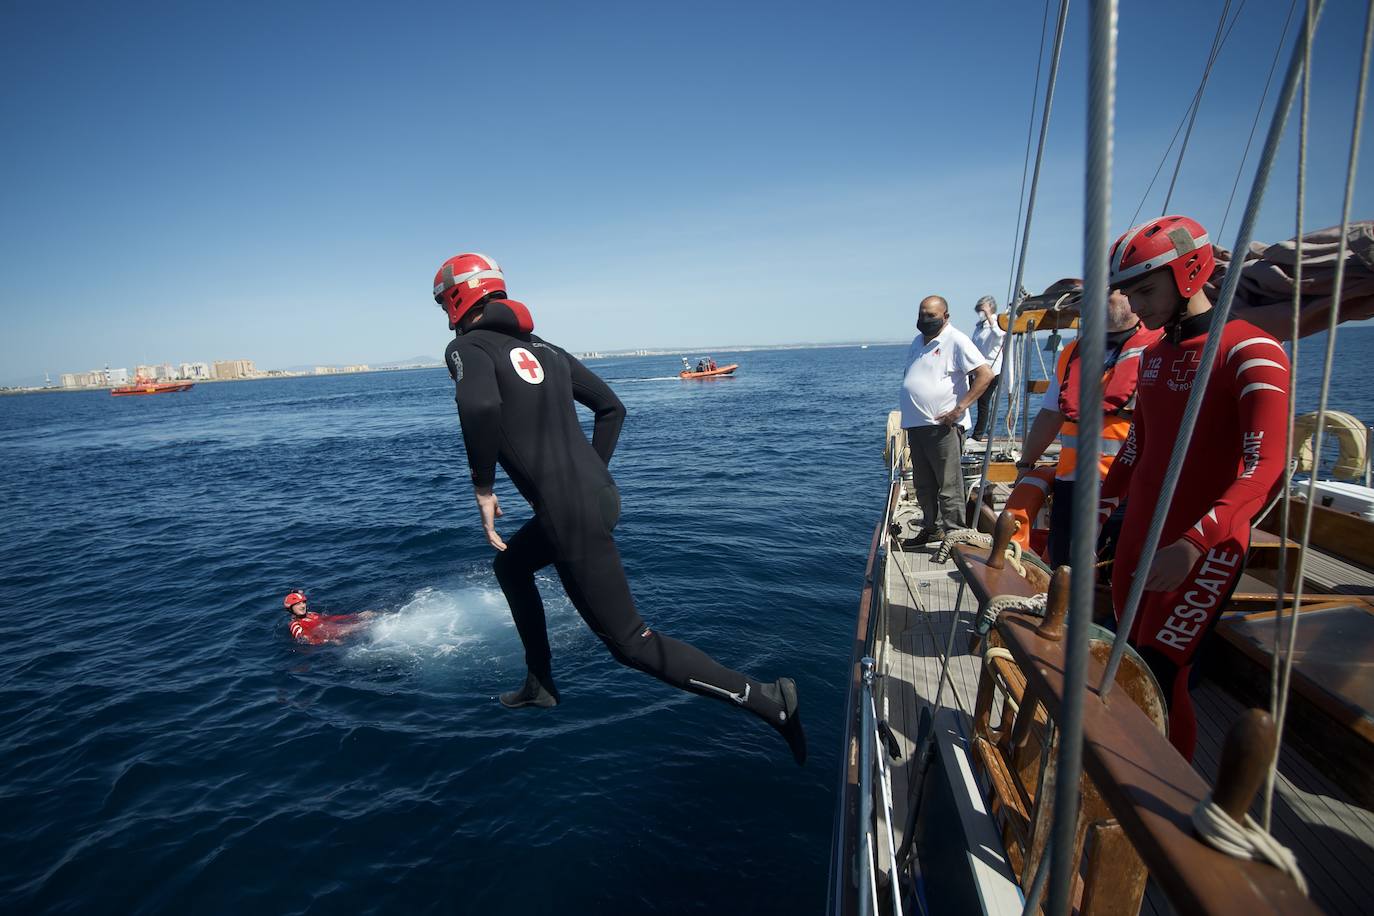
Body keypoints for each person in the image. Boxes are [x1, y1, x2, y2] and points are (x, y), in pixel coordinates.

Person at [433, 252, 807, 765]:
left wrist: (483, 487)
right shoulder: (547, 350)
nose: (444, 314)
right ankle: (539, 682)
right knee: (511, 567)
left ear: (458, 297)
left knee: (631, 644)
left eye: (443, 303)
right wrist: (590, 474)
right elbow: (612, 408)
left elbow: (478, 405)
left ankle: (768, 700)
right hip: (600, 496)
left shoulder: (466, 347)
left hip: (570, 512)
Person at [1097, 216, 1290, 760]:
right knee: (1130, 665)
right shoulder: (1153, 355)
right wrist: (1101, 513)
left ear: (1188, 273)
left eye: (1146, 290)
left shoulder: (1251, 351)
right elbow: (1138, 447)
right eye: (1129, 294)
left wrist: (1195, 543)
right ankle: (1123, 776)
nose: (1136, 307)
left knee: (1162, 677)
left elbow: (1266, 468)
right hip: (1141, 539)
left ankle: (1167, 789)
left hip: (1204, 547)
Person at [1016, 290, 1162, 568]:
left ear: (1135, 297)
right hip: (1072, 485)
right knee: (1063, 565)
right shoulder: (1072, 354)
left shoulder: (1159, 351)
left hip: (1127, 487)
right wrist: (1025, 465)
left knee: (1115, 569)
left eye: (1111, 291)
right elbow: (1050, 415)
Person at [899, 295, 994, 544]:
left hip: (943, 427)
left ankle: (955, 535)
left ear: (946, 316)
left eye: (931, 315)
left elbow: (985, 375)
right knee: (924, 485)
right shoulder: (917, 341)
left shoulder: (956, 340)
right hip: (917, 425)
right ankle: (932, 529)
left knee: (948, 485)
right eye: (921, 314)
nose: (925, 319)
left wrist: (958, 409)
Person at [970, 296, 1006, 441]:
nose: (981, 313)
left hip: (992, 370)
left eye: (983, 310)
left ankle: (978, 435)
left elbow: (999, 335)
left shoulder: (997, 324)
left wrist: (990, 317)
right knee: (963, 397)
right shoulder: (979, 327)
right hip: (976, 369)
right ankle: (962, 429)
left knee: (983, 402)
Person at [284, 591, 376, 645]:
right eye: (298, 604)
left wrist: (356, 615)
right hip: (336, 636)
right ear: (290, 608)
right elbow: (305, 640)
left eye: (303, 602)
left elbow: (331, 618)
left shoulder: (312, 614)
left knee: (370, 621)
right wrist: (329, 641)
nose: (303, 606)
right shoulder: (295, 625)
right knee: (372, 625)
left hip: (341, 630)